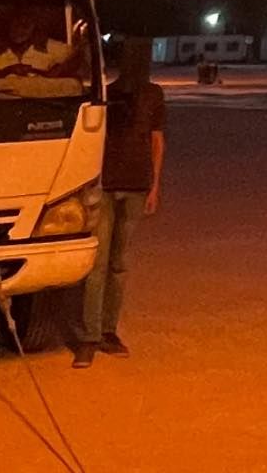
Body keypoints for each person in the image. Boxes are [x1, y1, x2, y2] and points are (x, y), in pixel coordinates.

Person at [74, 37, 166, 370]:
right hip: (108, 185)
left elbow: (157, 139)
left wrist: (154, 184)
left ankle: (109, 331)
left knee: (120, 264)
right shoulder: (108, 95)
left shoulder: (154, 95)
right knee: (97, 265)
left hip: (137, 185)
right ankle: (89, 336)